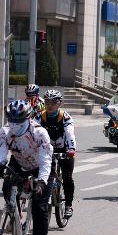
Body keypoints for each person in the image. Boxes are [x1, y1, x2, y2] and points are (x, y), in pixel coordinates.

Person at [0, 100, 53, 235]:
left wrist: (42, 181)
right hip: (19, 162)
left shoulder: (39, 133)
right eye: (11, 120)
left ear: (28, 118)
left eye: (18, 121)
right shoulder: (4, 132)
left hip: (40, 167)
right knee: (6, 185)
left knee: (40, 209)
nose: (14, 124)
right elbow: (1, 152)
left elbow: (46, 161)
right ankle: (15, 215)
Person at [39, 89, 76, 219]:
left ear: (59, 103)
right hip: (47, 151)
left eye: (53, 102)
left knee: (67, 178)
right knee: (43, 176)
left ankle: (68, 206)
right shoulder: (40, 116)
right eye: (47, 102)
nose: (49, 105)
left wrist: (71, 149)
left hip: (65, 150)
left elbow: (69, 133)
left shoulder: (64, 116)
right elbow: (33, 132)